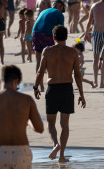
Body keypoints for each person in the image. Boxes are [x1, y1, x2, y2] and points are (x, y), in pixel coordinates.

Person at [33, 25, 86, 162]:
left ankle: (55, 144)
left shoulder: (47, 51)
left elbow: (40, 71)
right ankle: (61, 155)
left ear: (53, 37)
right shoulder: (73, 52)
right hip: (67, 89)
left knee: (50, 123)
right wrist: (81, 94)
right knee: (64, 124)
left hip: (52, 89)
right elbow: (77, 75)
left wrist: (36, 86)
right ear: (67, 37)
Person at [0, 65, 44, 169]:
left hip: (0, 152)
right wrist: (27, 121)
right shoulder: (27, 100)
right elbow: (39, 128)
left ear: (1, 80)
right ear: (16, 81)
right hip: (21, 151)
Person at [31, 0, 66, 70]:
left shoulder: (44, 11)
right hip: (46, 35)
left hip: (35, 34)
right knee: (51, 60)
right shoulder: (59, 14)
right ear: (61, 7)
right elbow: (60, 32)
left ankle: (38, 80)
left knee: (39, 61)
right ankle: (51, 79)